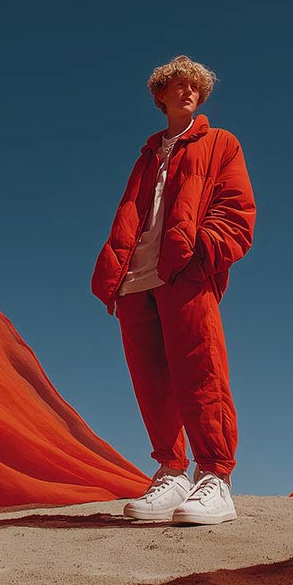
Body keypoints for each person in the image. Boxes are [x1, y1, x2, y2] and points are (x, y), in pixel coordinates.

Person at [89, 55, 256, 525]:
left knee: (201, 373)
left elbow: (237, 212)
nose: (189, 93)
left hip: (183, 273)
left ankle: (216, 477)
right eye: (179, 86)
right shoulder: (146, 155)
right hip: (134, 281)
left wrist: (200, 254)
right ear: (160, 96)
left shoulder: (221, 143)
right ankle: (172, 471)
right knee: (152, 384)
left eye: (195, 88)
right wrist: (114, 274)